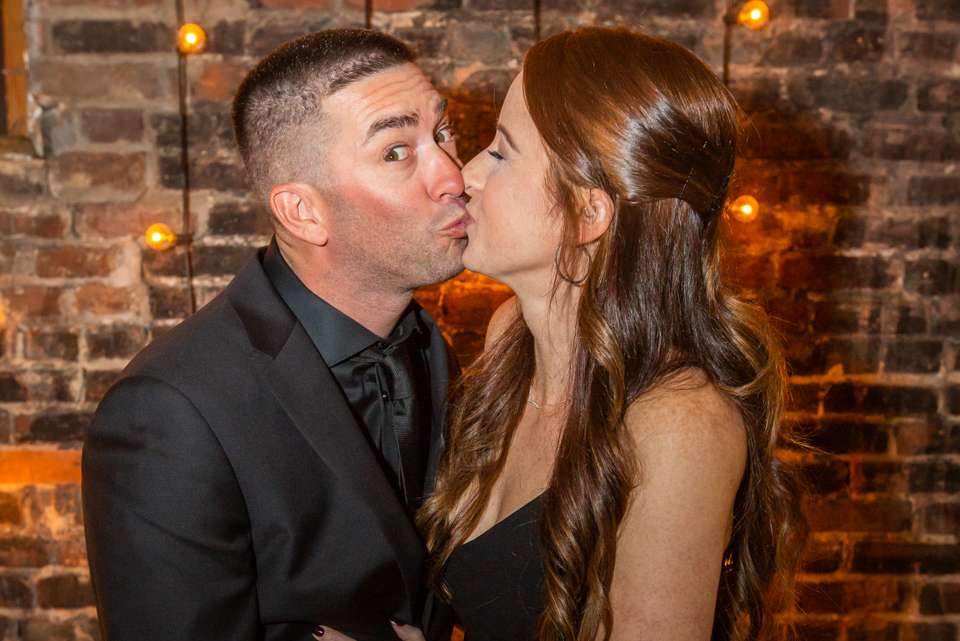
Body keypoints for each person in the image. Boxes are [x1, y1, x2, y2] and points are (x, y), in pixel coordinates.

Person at [418, 26, 807, 641]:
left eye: (501, 153)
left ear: (588, 213)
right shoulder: (511, 338)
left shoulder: (681, 426)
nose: (465, 175)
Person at [82, 29, 466, 641]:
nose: (452, 176)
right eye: (396, 151)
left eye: (443, 133)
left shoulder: (427, 343)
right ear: (302, 212)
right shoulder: (166, 411)